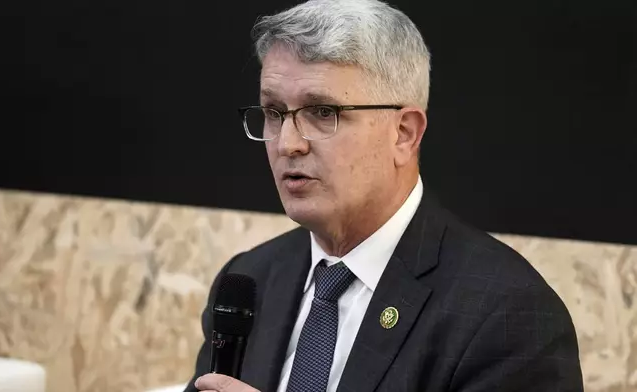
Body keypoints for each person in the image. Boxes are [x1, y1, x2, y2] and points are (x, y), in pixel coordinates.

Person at [187, 0, 584, 391]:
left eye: (323, 113)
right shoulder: (250, 279)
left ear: (404, 133)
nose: (288, 143)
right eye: (274, 113)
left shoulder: (506, 316)